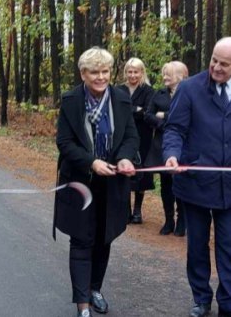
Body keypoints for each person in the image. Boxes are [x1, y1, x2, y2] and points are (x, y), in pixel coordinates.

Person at [53, 47, 139, 317]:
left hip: (113, 182)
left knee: (104, 238)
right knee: (81, 240)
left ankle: (95, 289)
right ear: (83, 74)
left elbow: (131, 138)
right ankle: (83, 304)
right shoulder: (71, 100)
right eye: (94, 72)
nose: (101, 77)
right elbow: (64, 143)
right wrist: (91, 162)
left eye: (105, 71)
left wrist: (125, 158)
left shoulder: (121, 99)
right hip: (81, 182)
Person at [163, 37, 231, 317]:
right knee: (198, 245)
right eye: (214, 59)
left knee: (228, 245)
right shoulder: (189, 89)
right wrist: (172, 155)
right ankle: (201, 298)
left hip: (229, 187)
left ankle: (228, 302)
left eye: (224, 64)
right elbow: (174, 129)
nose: (216, 66)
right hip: (195, 184)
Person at [145, 60, 188, 236]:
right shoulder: (159, 93)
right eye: (164, 74)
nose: (164, 77)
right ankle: (169, 220)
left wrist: (165, 115)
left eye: (168, 74)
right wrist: (164, 123)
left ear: (180, 76)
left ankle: (182, 222)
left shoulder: (189, 93)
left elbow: (188, 117)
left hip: (183, 145)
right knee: (165, 185)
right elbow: (148, 115)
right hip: (162, 144)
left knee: (181, 185)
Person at [118, 57, 155, 224]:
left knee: (141, 173)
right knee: (124, 171)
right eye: (130, 71)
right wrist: (135, 109)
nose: (133, 75)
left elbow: (147, 114)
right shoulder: (119, 90)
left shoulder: (148, 91)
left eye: (136, 72)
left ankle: (137, 210)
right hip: (122, 136)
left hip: (143, 136)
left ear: (142, 72)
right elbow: (117, 111)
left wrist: (132, 110)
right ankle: (124, 210)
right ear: (126, 73)